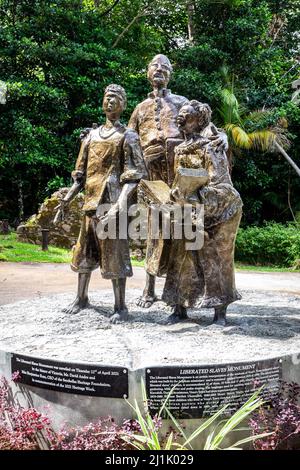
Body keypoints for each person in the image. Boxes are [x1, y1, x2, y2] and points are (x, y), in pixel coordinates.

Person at [129, 54, 228, 309]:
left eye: (165, 67)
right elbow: (126, 138)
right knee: (154, 231)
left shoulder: (182, 103)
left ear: (171, 73)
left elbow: (206, 127)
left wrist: (223, 136)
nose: (159, 70)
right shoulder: (140, 108)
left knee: (184, 233)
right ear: (147, 72)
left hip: (181, 172)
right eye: (155, 66)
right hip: (152, 176)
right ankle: (148, 288)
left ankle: (186, 292)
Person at [55, 84, 147, 323]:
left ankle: (120, 306)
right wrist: (66, 200)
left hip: (113, 204)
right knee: (83, 253)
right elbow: (80, 176)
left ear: (123, 105)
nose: (110, 102)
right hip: (91, 202)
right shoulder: (90, 137)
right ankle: (81, 298)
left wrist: (120, 203)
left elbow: (135, 176)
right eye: (107, 98)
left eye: (115, 99)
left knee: (115, 254)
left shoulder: (129, 136)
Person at [162, 100, 243, 325]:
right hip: (188, 207)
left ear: (199, 121)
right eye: (180, 114)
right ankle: (179, 308)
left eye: (186, 115)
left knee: (215, 257)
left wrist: (197, 194)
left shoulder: (211, 146)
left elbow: (220, 183)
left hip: (220, 209)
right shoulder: (178, 149)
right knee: (181, 254)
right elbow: (177, 181)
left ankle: (220, 313)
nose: (180, 117)